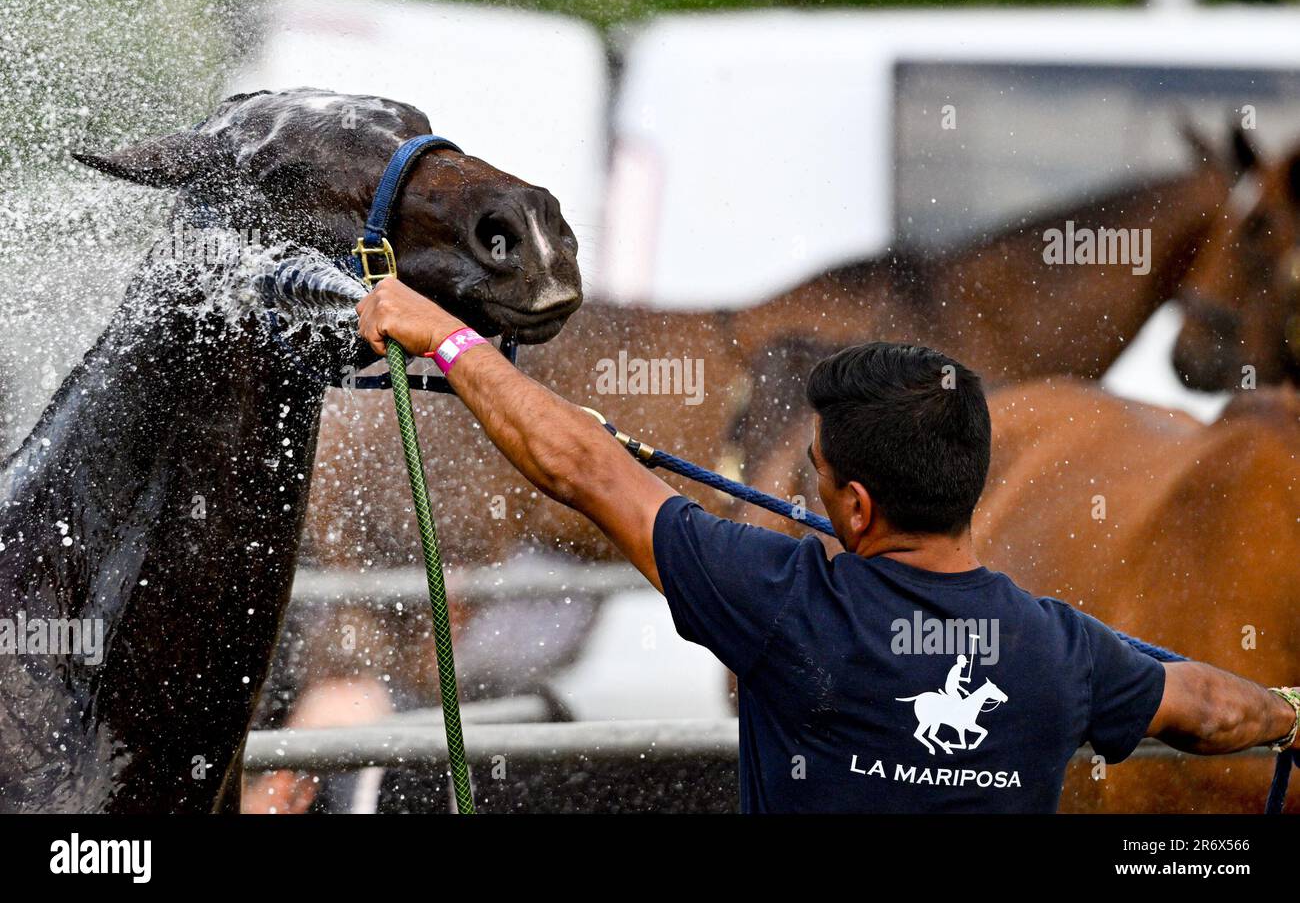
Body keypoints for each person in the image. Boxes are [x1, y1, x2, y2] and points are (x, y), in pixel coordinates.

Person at [356, 280, 1300, 813]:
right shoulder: (1066, 652)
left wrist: (442, 335)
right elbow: (1216, 707)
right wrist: (1286, 713)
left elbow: (580, 467)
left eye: (810, 472)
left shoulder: (781, 597)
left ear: (851, 503)